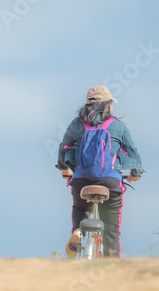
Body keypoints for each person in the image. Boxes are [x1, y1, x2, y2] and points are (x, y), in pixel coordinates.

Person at [56, 85, 144, 258]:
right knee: (112, 230)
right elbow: (132, 152)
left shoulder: (77, 124)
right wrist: (136, 173)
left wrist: (64, 168)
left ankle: (78, 231)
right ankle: (111, 265)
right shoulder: (118, 126)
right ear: (108, 105)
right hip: (109, 181)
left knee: (79, 206)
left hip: (81, 180)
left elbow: (64, 147)